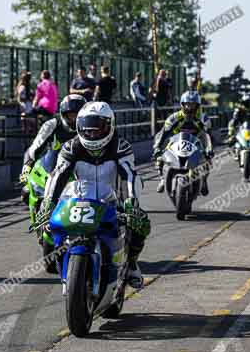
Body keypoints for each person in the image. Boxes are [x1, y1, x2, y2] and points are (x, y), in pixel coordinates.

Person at [42, 101, 151, 288]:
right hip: (79, 199)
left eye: (97, 129)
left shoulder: (121, 147)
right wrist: (48, 203)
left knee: (141, 224)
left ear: (110, 126)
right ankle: (64, 267)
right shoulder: (70, 147)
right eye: (87, 129)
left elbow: (130, 174)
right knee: (50, 227)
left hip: (113, 200)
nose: (92, 134)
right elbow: (57, 175)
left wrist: (132, 203)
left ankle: (132, 264)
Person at [20, 94, 86, 230]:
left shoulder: (90, 126)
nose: (73, 119)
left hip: (81, 169)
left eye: (77, 115)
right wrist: (27, 167)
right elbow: (35, 148)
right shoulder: (52, 124)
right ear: (63, 114)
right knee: (27, 191)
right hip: (52, 166)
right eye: (70, 115)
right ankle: (38, 216)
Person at [152, 90, 214, 195]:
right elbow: (163, 133)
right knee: (160, 156)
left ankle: (203, 181)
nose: (190, 108)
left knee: (207, 160)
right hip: (176, 142)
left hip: (195, 143)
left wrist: (209, 148)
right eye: (187, 105)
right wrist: (157, 146)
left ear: (197, 105)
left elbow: (208, 135)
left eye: (193, 105)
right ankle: (162, 179)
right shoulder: (174, 118)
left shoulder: (203, 118)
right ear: (182, 104)